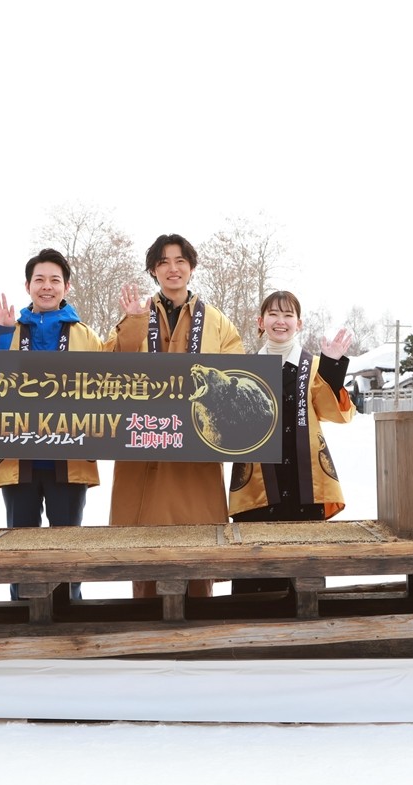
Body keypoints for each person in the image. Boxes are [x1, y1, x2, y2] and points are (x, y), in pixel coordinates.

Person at [108, 233, 244, 598]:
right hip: (145, 450)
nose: (173, 268)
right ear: (154, 270)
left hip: (195, 458)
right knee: (146, 557)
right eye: (164, 262)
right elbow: (109, 369)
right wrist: (133, 323)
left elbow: (237, 378)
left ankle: (201, 635)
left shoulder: (216, 322)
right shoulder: (135, 313)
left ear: (192, 267)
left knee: (199, 554)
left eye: (180, 260)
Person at [0, 248, 103, 601]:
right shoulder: (10, 329)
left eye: (55, 280)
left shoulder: (86, 336)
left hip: (70, 458)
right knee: (20, 545)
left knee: (66, 544)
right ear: (27, 286)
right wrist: (3, 334)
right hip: (18, 457)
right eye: (40, 280)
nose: (47, 287)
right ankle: (22, 612)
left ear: (66, 286)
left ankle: (70, 612)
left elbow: (111, 380)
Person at [228, 290, 355, 594]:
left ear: (299, 323)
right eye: (273, 314)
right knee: (255, 576)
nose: (280, 321)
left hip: (304, 484)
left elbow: (333, 412)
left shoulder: (312, 368)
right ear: (261, 321)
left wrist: (332, 367)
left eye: (288, 315)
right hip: (259, 487)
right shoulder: (243, 369)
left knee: (303, 576)